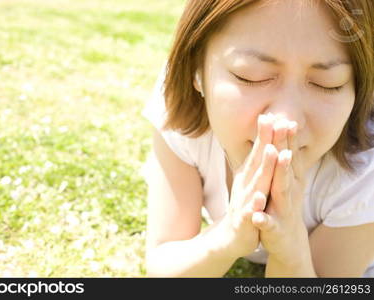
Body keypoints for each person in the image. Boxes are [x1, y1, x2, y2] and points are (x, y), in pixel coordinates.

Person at [141, 0, 374, 277]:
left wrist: (290, 252)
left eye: (328, 83)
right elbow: (163, 263)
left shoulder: (366, 170)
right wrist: (226, 237)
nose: (285, 119)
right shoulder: (182, 113)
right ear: (196, 70)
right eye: (250, 76)